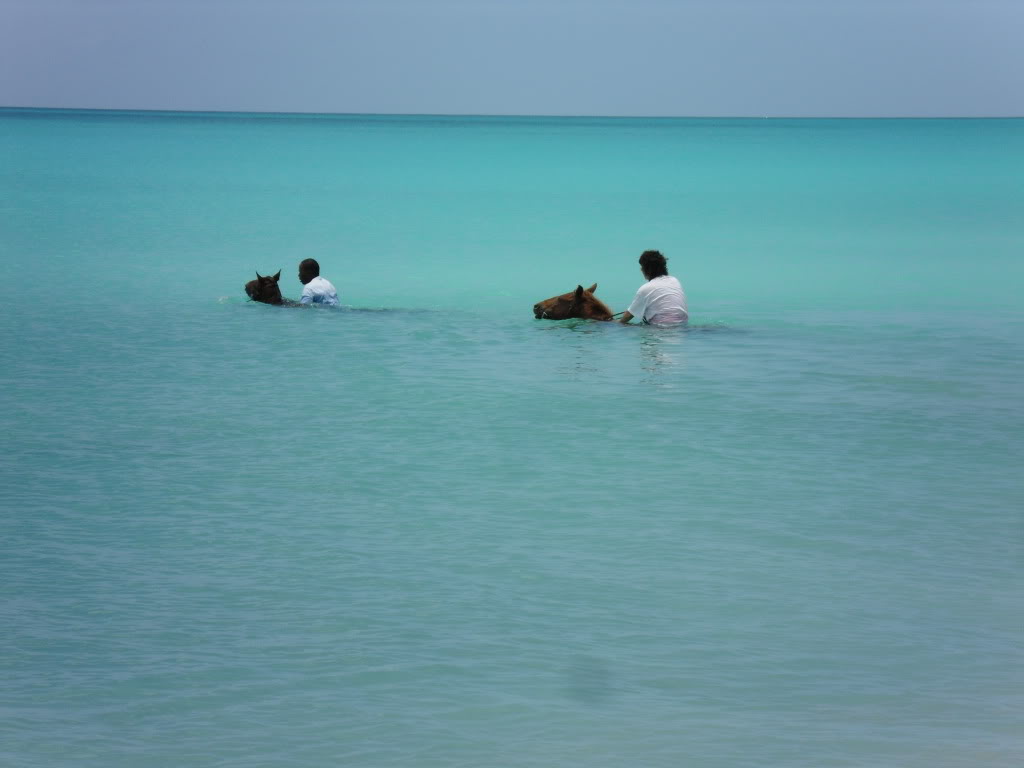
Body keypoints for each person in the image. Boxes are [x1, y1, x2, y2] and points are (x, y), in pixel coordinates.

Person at [619, 250, 688, 325]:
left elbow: (627, 316)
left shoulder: (645, 289)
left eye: (642, 267)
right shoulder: (675, 281)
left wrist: (617, 323)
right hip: (683, 326)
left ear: (647, 269)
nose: (641, 269)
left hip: (658, 328)